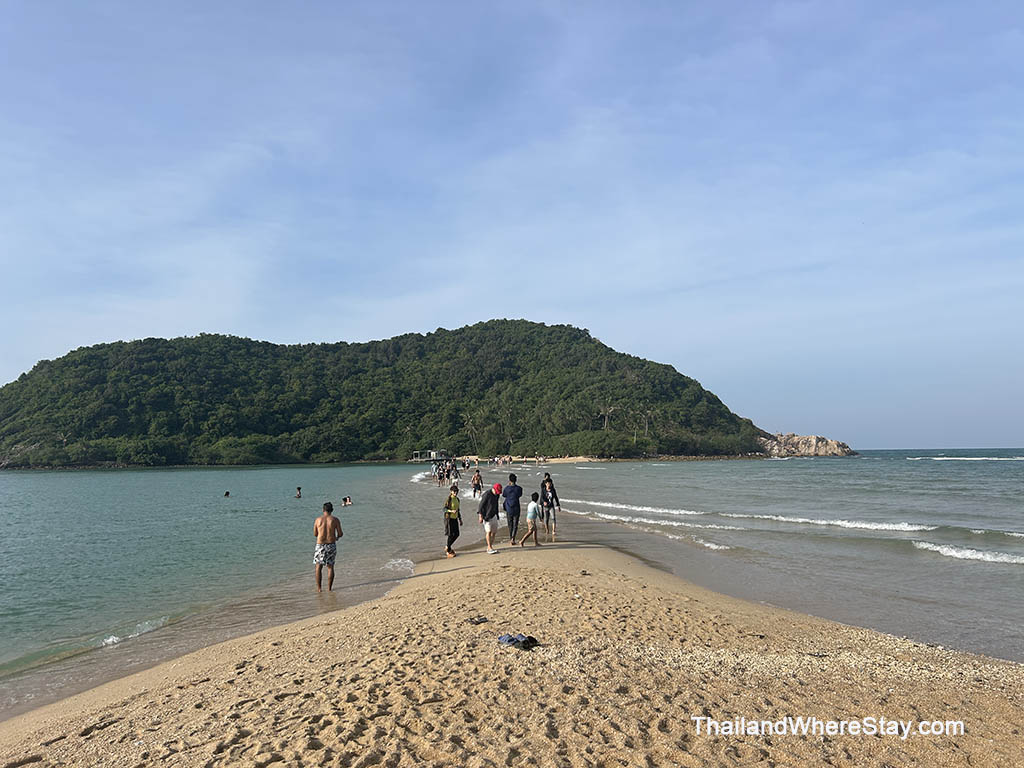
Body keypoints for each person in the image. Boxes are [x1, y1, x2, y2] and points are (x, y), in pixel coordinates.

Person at [313, 501, 343, 593]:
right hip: (331, 544)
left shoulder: (318, 520)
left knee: (318, 566)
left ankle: (319, 589)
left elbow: (315, 534)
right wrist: (336, 537)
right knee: (330, 567)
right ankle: (329, 589)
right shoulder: (335, 520)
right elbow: (340, 533)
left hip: (320, 545)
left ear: (323, 510)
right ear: (332, 510)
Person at [478, 482, 502, 554]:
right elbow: (481, 506)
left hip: (494, 515)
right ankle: (489, 547)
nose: (497, 493)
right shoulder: (487, 494)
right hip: (486, 516)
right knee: (488, 532)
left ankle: (490, 546)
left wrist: (497, 514)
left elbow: (496, 504)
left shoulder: (497, 495)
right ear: (493, 489)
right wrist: (480, 516)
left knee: (494, 532)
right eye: (497, 492)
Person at [501, 473, 523, 544]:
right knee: (515, 524)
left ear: (509, 480)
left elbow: (504, 495)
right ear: (516, 480)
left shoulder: (507, 488)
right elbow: (520, 495)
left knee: (510, 524)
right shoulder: (519, 488)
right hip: (516, 507)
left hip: (508, 507)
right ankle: (513, 538)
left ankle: (511, 537)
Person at [443, 485, 462, 558]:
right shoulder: (449, 500)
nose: (455, 493)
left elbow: (458, 510)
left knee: (457, 534)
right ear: (451, 492)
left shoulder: (457, 499)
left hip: (455, 519)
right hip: (449, 519)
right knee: (450, 534)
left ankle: (447, 546)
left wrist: (460, 519)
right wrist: (451, 511)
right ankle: (448, 550)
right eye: (454, 491)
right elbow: (444, 509)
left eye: (456, 491)